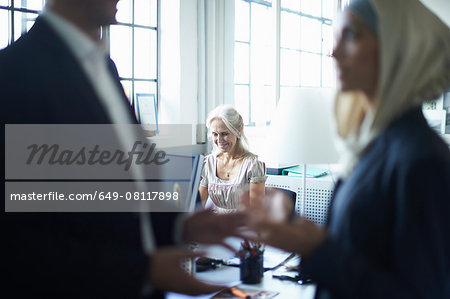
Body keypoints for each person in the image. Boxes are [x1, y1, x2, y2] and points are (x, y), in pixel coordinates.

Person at [1, 0, 248, 297]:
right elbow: (13, 244)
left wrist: (179, 228)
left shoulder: (105, 68)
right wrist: (144, 270)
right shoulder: (12, 76)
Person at [245, 0, 450, 298]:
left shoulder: (422, 160)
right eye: (335, 37)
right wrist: (295, 227)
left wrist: (315, 247)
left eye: (352, 35)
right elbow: (360, 250)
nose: (333, 51)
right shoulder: (372, 147)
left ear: (398, 49)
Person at [199, 105, 266, 213]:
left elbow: (256, 212)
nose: (219, 140)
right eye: (215, 134)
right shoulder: (208, 163)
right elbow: (198, 205)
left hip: (243, 225)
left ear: (238, 130)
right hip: (216, 225)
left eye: (224, 134)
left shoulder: (252, 165)